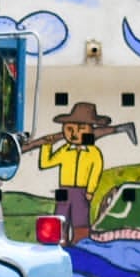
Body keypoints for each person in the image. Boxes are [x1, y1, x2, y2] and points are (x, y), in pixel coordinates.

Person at [36, 102, 108, 243]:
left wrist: (90, 190)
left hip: (81, 191)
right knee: (61, 218)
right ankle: (60, 245)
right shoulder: (65, 150)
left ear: (90, 130)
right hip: (64, 189)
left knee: (80, 221)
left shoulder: (93, 153)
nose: (75, 134)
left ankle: (81, 245)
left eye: (81, 129)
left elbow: (95, 172)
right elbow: (46, 163)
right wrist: (47, 146)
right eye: (70, 129)